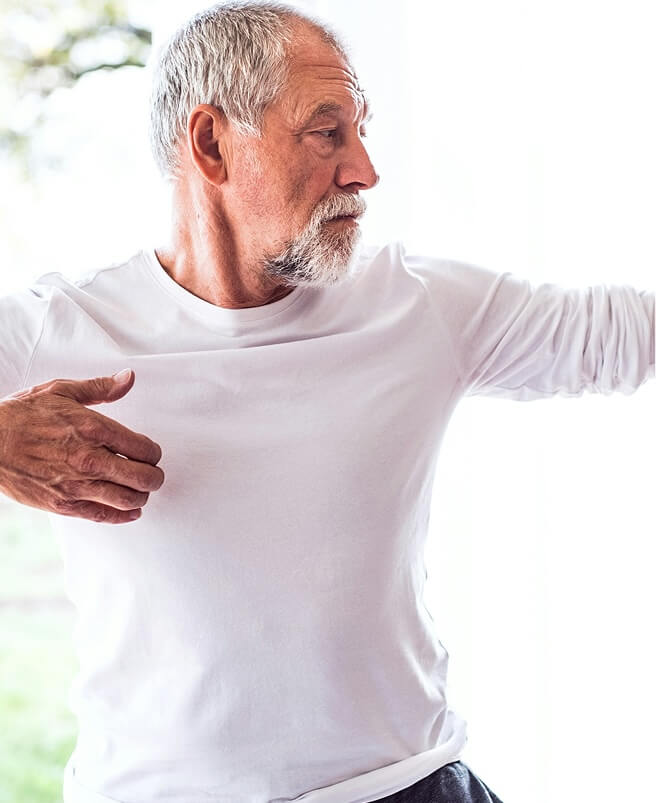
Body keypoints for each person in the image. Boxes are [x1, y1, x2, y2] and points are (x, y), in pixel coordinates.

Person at [0, 1, 652, 801]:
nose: (365, 171)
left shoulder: (418, 307)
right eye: (327, 131)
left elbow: (620, 335)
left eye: (362, 129)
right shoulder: (58, 331)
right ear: (211, 144)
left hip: (409, 786)